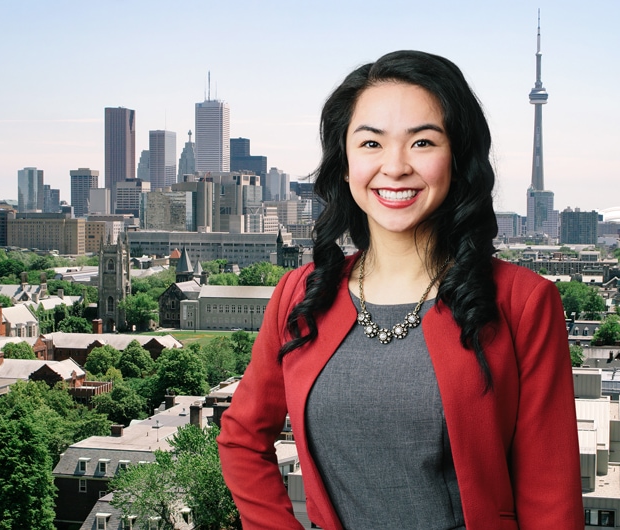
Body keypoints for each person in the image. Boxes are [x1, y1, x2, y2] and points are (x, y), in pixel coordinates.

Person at [217, 50, 583, 530]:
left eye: (423, 142)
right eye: (370, 143)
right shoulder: (300, 295)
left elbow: (550, 497)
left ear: (458, 158)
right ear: (344, 164)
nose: (395, 167)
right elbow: (242, 439)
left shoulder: (522, 302)